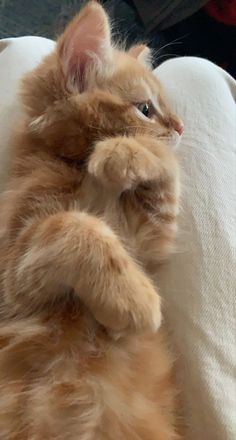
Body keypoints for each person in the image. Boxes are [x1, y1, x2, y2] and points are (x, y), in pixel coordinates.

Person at [0, 36, 235, 439]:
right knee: (198, 74)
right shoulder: (38, 169)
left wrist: (159, 168)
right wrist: (82, 241)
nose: (178, 127)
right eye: (147, 110)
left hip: (125, 409)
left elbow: (155, 243)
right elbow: (20, 287)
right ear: (75, 79)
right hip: (50, 398)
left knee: (192, 72)